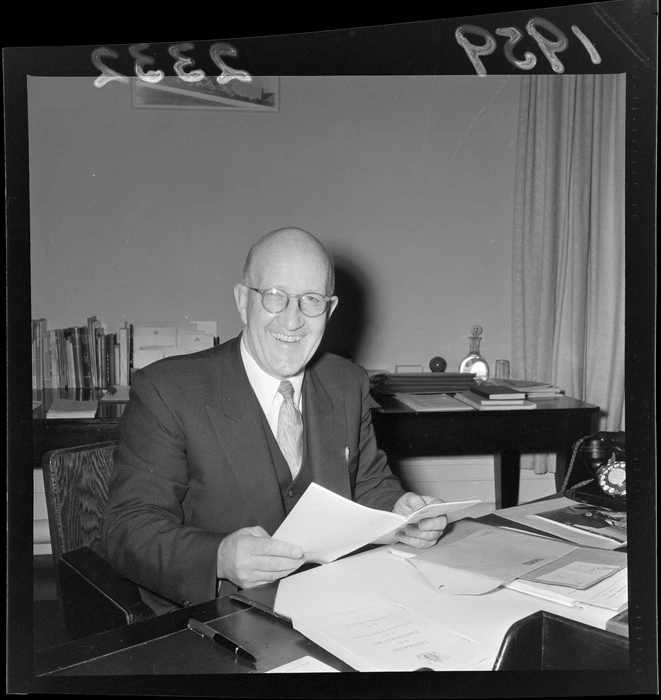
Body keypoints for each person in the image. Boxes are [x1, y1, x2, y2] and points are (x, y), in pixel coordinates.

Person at [102, 227, 447, 614]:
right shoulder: (169, 390)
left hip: (330, 603)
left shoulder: (346, 382)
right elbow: (127, 527)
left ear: (329, 310)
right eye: (274, 296)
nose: (292, 320)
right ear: (241, 301)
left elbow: (367, 485)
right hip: (213, 618)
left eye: (310, 300)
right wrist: (219, 556)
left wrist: (403, 513)